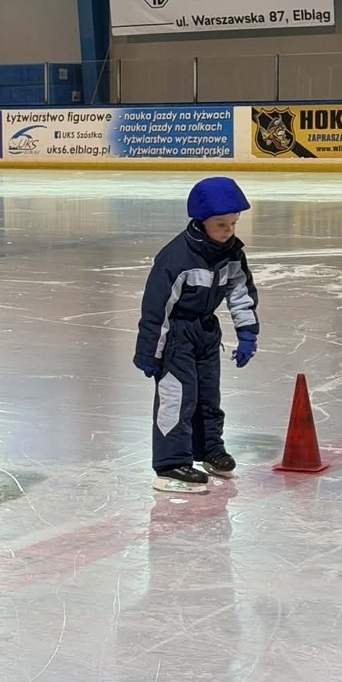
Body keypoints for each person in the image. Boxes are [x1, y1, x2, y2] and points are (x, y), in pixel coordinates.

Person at [134, 177, 260, 494]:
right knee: (177, 398)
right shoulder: (176, 258)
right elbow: (156, 308)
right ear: (201, 221)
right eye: (221, 224)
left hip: (206, 332)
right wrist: (149, 352)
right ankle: (170, 464)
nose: (228, 230)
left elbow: (241, 294)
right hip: (176, 335)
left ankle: (209, 451)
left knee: (207, 395)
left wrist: (247, 334)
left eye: (233, 223)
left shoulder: (232, 253)